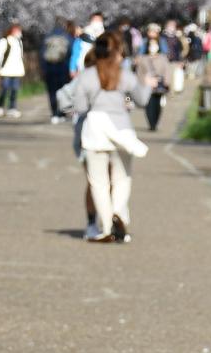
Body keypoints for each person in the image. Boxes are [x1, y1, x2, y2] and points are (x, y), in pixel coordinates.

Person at [66, 30, 157, 242]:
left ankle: (106, 227)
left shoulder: (87, 76)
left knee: (98, 182)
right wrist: (148, 85)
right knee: (122, 178)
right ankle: (118, 213)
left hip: (95, 131)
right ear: (117, 52)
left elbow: (79, 106)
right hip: (122, 130)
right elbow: (142, 100)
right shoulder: (125, 75)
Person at [132, 24, 172, 133]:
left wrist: (166, 82)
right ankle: (151, 123)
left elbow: (167, 69)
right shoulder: (143, 53)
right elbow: (139, 71)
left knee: (157, 104)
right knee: (148, 104)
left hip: (159, 84)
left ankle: (155, 122)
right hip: (146, 83)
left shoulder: (162, 55)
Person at [41, 18, 75, 122]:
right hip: (63, 68)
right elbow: (71, 54)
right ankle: (61, 113)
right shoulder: (67, 37)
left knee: (52, 91)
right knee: (63, 91)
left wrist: (43, 68)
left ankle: (54, 113)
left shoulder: (47, 37)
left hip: (50, 68)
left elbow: (42, 54)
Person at [0, 22, 27, 117]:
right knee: (4, 89)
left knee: (14, 91)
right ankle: (0, 106)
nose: (19, 32)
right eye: (17, 29)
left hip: (17, 71)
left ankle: (12, 108)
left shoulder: (19, 42)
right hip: (6, 71)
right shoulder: (4, 41)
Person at [67, 11, 106, 77]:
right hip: (82, 69)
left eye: (99, 20)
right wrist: (72, 69)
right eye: (95, 20)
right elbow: (75, 54)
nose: (97, 22)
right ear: (91, 21)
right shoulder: (82, 37)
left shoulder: (106, 37)